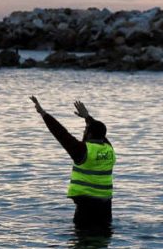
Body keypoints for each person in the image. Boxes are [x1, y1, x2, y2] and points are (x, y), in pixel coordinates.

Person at [32, 96, 114, 234]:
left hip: (86, 209)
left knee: (82, 244)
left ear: (89, 134)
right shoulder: (109, 149)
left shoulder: (82, 151)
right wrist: (87, 118)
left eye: (85, 130)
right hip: (105, 208)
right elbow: (99, 130)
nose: (84, 132)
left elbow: (61, 133)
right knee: (102, 242)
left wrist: (43, 113)